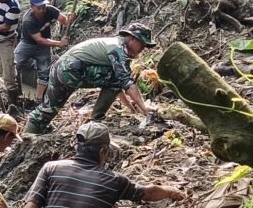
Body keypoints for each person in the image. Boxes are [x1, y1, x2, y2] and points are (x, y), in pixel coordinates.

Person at [16, 122, 185, 208]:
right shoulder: (114, 181)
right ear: (103, 151)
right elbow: (148, 193)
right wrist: (172, 191)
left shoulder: (51, 168)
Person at [25, 23, 157, 134]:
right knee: (118, 79)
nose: (142, 49)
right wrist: (144, 109)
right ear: (132, 38)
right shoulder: (118, 49)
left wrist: (131, 108)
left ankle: (27, 135)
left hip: (59, 69)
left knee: (48, 109)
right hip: (72, 70)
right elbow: (124, 82)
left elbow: (117, 85)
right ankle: (97, 120)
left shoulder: (113, 44)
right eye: (142, 44)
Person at [15, 0, 72, 101]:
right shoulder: (28, 20)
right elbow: (39, 40)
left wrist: (70, 19)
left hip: (44, 46)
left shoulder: (50, 10)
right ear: (31, 7)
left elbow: (64, 21)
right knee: (14, 65)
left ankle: (39, 99)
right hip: (27, 44)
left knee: (44, 71)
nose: (42, 10)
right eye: (39, 8)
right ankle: (16, 94)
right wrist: (59, 43)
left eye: (43, 7)